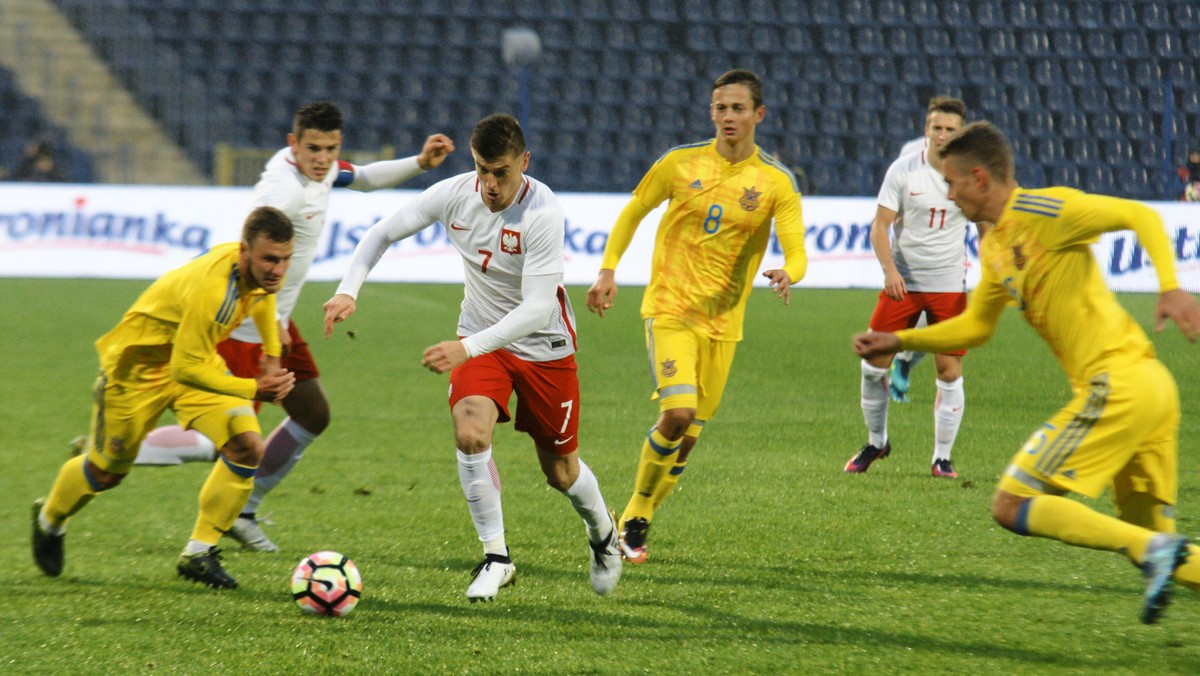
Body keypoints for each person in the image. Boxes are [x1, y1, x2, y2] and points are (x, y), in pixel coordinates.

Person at [854, 120, 1200, 624]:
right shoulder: (995, 250)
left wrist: (1170, 287)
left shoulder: (1044, 210)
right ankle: (1160, 552)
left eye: (951, 184)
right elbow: (975, 327)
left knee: (1012, 504)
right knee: (1156, 542)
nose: (948, 195)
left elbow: (1138, 214)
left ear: (978, 178)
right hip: (1147, 392)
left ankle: (1157, 552)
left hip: (1119, 386)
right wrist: (901, 340)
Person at [131, 101, 455, 553]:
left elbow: (360, 178)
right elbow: (245, 248)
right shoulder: (280, 192)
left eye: (330, 148)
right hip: (247, 327)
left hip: (278, 323)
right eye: (313, 149)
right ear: (293, 144)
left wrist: (419, 163)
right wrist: (263, 313)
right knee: (221, 443)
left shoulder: (318, 172)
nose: (323, 158)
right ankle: (119, 452)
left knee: (312, 414)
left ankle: (244, 511)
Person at [322, 113, 621, 602]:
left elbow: (537, 308)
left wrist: (465, 347)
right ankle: (497, 558)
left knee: (561, 472)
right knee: (469, 432)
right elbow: (381, 233)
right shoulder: (455, 193)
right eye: (482, 169)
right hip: (482, 340)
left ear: (524, 162)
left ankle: (603, 535)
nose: (489, 184)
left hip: (544, 348)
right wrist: (347, 291)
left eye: (501, 171)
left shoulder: (542, 213)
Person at [586, 69, 808, 564]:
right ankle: (635, 516)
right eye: (721, 108)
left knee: (687, 439)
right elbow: (633, 211)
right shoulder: (680, 163)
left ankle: (638, 519)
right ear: (712, 112)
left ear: (759, 114)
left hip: (725, 323)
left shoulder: (775, 182)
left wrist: (790, 272)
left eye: (738, 108)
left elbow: (796, 249)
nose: (728, 116)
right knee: (677, 414)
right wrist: (607, 270)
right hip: (670, 308)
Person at [31, 207, 297, 589]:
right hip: (136, 371)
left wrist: (271, 356)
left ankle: (198, 553)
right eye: (270, 259)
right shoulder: (213, 290)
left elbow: (263, 296)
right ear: (244, 251)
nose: (277, 269)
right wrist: (256, 388)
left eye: (285, 260)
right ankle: (49, 520)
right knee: (106, 471)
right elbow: (183, 370)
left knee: (246, 446)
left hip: (193, 358)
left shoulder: (252, 272)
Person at [844, 96, 989, 479]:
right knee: (873, 365)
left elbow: (986, 228)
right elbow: (880, 226)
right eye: (935, 128)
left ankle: (942, 458)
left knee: (949, 370)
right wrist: (889, 270)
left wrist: (996, 272)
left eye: (950, 129)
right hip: (903, 284)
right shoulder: (903, 170)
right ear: (926, 130)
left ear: (961, 134)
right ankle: (877, 442)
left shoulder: (972, 176)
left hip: (948, 286)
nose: (942, 135)